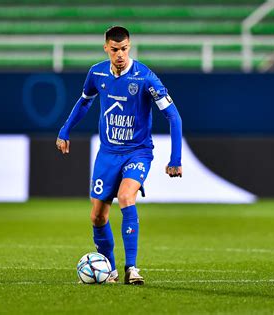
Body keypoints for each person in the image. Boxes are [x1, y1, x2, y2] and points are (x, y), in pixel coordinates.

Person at [56, 26, 182, 285]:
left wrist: (175, 159)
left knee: (126, 196)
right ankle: (110, 270)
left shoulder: (145, 77)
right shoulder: (96, 72)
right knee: (97, 216)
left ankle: (132, 268)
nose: (120, 54)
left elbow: (174, 116)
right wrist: (65, 130)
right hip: (108, 153)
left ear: (130, 47)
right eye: (115, 50)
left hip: (138, 152)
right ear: (106, 48)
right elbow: (84, 102)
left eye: (124, 49)